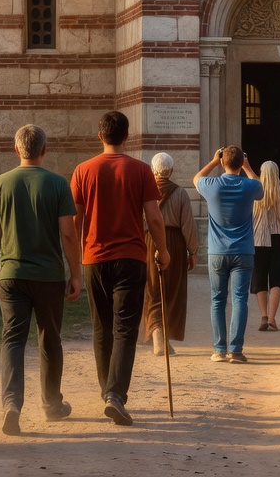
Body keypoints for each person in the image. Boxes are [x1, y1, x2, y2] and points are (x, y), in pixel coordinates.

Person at [71, 111, 171, 426]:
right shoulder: (141, 170)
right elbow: (154, 218)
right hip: (130, 257)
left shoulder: (83, 170)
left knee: (101, 329)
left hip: (94, 258)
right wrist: (164, 251)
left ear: (100, 136)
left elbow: (75, 220)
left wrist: (76, 257)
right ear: (126, 136)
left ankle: (108, 392)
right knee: (125, 329)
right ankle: (115, 394)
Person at [0, 124, 80, 435]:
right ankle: (52, 404)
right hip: (49, 275)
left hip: (11, 274)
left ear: (16, 150)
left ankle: (11, 404)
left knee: (12, 340)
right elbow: (67, 232)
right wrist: (75, 273)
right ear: (44, 150)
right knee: (50, 339)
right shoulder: (57, 184)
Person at [194, 146, 263, 363]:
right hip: (243, 251)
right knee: (240, 300)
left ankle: (218, 349)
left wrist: (215, 160)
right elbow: (260, 188)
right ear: (240, 162)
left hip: (217, 251)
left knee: (217, 300)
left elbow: (196, 177)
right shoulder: (249, 185)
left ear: (224, 162)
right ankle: (236, 350)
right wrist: (248, 166)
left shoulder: (212, 186)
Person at [143, 152, 198, 356]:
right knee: (171, 289)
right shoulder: (181, 193)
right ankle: (162, 336)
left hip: (149, 242)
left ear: (152, 170)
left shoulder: (145, 190)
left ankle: (158, 335)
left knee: (153, 288)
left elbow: (140, 221)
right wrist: (192, 251)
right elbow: (187, 225)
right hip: (174, 243)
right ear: (171, 171)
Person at [250, 161, 280, 331]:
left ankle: (263, 316)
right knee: (276, 280)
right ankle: (272, 318)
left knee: (259, 278)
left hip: (258, 241)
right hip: (278, 240)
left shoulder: (255, 194)